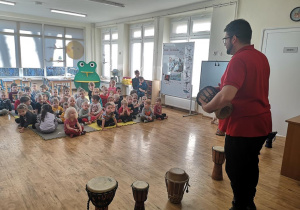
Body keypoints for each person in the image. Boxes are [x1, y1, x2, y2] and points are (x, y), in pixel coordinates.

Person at [199, 19, 272, 210]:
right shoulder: (261, 57)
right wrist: (221, 88)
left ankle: (241, 205)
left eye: (225, 39)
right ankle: (248, 202)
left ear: (234, 38)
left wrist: (207, 108)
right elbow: (245, 88)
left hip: (243, 126)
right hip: (261, 124)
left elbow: (226, 96)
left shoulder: (238, 59)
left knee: (236, 169)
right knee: (250, 165)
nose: (224, 43)